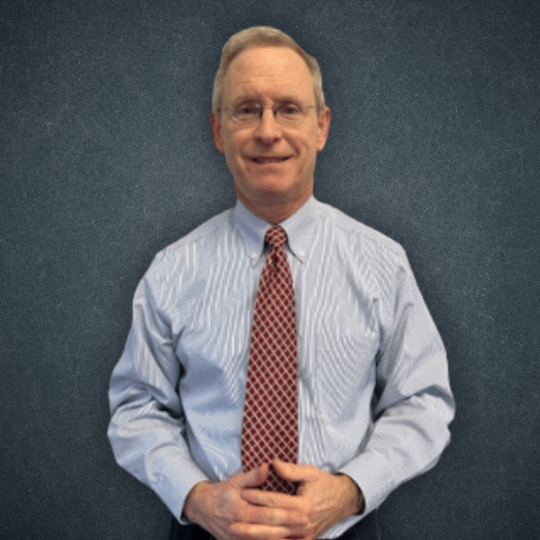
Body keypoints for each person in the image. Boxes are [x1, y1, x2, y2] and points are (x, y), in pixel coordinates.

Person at [108, 26, 454, 540]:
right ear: (219, 131)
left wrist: (350, 490)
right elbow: (137, 407)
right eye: (246, 109)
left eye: (289, 109)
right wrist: (197, 498)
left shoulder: (383, 264)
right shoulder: (172, 270)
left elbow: (423, 400)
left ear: (321, 126)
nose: (268, 131)